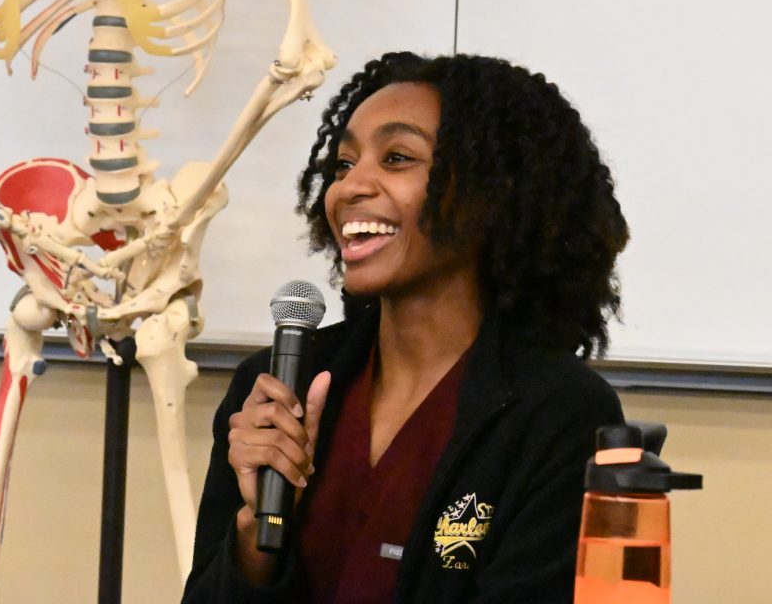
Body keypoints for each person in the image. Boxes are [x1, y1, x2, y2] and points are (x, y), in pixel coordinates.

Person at [181, 52, 630, 603]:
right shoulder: (274, 388)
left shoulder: (560, 413)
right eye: (344, 164)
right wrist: (255, 538)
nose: (349, 188)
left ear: (491, 191)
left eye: (396, 158)